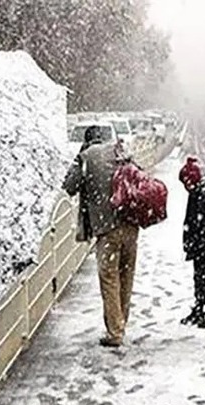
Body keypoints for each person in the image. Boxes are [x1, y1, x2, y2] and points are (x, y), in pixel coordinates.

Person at [63, 131, 140, 348]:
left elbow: (69, 187)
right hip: (131, 224)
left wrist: (79, 160)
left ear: (86, 141)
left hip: (107, 229)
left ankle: (115, 332)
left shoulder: (86, 156)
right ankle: (121, 321)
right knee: (126, 275)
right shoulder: (118, 150)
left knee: (109, 279)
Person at [179, 157, 205, 328]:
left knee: (201, 279)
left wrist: (196, 245)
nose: (185, 186)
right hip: (202, 246)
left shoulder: (201, 196)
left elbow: (202, 225)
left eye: (185, 182)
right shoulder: (198, 192)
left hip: (203, 247)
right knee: (199, 279)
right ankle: (199, 309)